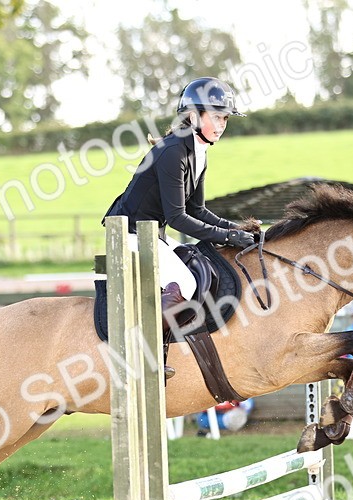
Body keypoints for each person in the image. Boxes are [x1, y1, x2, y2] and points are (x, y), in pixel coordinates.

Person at [103, 77, 258, 374]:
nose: (222, 125)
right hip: (129, 234)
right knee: (185, 283)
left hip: (152, 234)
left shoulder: (199, 151)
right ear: (193, 116)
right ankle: (139, 352)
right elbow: (177, 217)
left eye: (225, 118)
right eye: (216, 117)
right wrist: (228, 236)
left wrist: (237, 229)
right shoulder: (173, 151)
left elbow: (197, 210)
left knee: (201, 266)